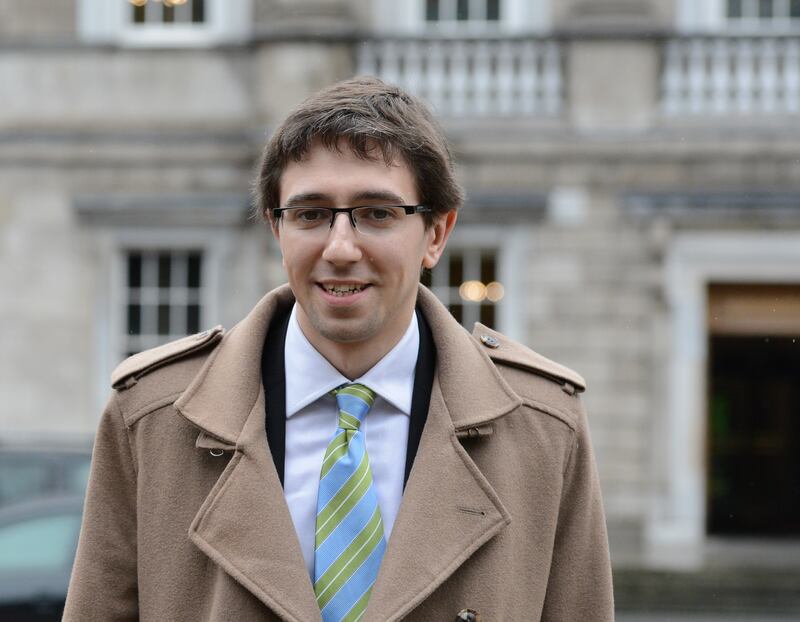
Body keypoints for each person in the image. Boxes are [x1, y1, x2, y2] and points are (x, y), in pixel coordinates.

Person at [64, 77, 613, 622]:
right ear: (276, 230)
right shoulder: (151, 418)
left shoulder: (545, 427)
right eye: (310, 214)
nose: (341, 248)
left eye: (377, 213)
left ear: (437, 234)